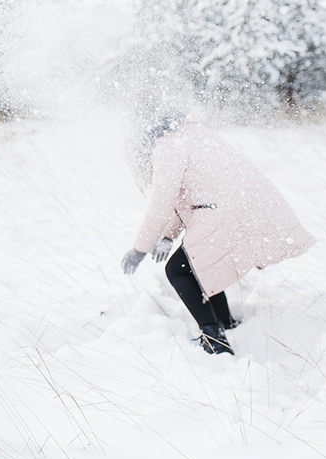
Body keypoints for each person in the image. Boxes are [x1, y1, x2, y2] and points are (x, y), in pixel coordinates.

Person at [121, 113, 315, 355]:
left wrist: (141, 248)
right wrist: (169, 236)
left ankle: (215, 339)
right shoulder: (190, 133)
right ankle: (225, 323)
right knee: (201, 266)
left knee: (178, 270)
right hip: (235, 211)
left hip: (222, 214)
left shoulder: (168, 146)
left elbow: (163, 200)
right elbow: (183, 196)